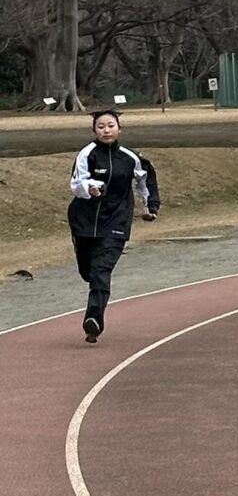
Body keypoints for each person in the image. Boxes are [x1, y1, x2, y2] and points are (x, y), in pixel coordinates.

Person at [68, 110, 160, 343]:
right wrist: (89, 189)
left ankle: (94, 319)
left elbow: (145, 178)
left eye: (110, 125)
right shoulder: (86, 154)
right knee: (88, 272)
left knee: (101, 270)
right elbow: (76, 183)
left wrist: (150, 206)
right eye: (101, 127)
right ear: (94, 130)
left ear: (119, 129)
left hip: (116, 222)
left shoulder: (130, 157)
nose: (106, 130)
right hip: (84, 221)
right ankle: (85, 262)